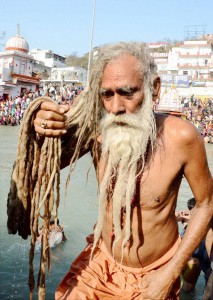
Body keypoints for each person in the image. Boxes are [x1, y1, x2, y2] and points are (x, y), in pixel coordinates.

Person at [8, 42, 213, 300]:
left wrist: (170, 274)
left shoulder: (182, 137)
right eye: (107, 94)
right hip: (100, 264)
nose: (116, 107)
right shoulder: (97, 133)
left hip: (154, 274)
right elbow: (42, 168)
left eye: (128, 93)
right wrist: (41, 129)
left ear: (154, 88)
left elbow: (206, 204)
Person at [176, 198, 212, 293]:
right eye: (191, 211)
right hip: (186, 259)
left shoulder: (207, 222)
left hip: (199, 261)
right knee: (185, 290)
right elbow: (170, 219)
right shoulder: (186, 220)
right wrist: (179, 215)